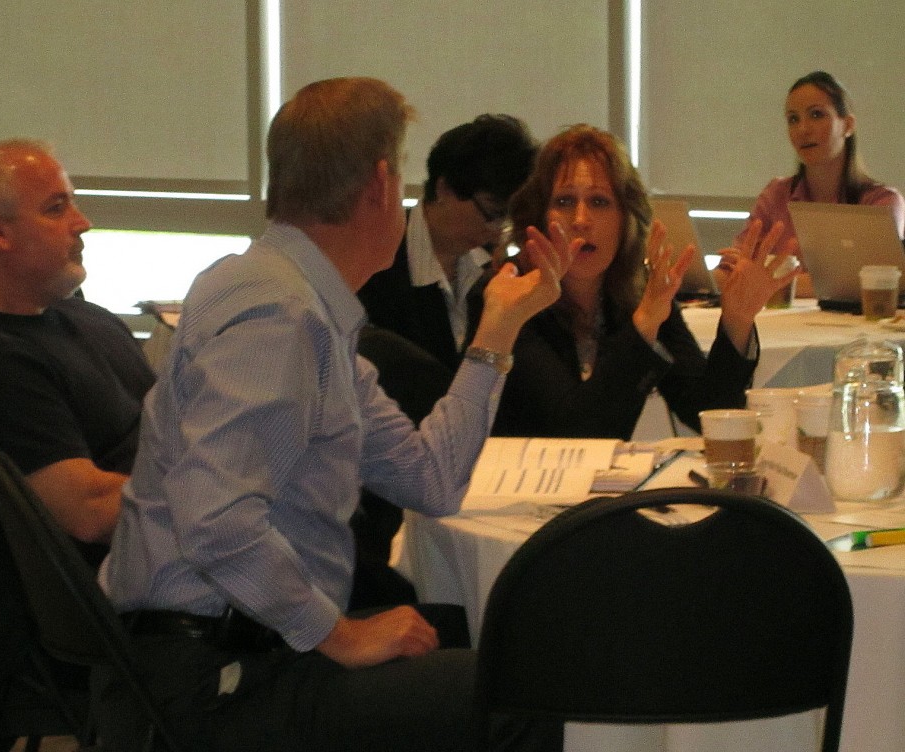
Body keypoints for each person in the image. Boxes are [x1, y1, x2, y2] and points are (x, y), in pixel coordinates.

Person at [96, 77, 567, 752]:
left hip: (240, 645)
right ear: (379, 184)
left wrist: (498, 330)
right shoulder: (278, 316)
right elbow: (216, 522)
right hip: (215, 678)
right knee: (525, 696)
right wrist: (338, 634)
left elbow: (429, 480)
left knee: (489, 638)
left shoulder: (300, 304)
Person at [0, 139, 155, 565]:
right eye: (56, 209)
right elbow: (89, 511)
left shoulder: (90, 319)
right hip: (143, 590)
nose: (82, 223)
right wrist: (223, 499)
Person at [493, 124, 798, 441]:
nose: (580, 219)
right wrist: (644, 324)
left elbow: (708, 410)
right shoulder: (509, 292)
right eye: (565, 201)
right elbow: (576, 430)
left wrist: (737, 320)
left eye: (599, 202)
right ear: (540, 214)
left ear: (626, 217)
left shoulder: (639, 291)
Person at [352, 114, 537, 609]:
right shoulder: (375, 265)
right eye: (491, 212)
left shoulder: (493, 268)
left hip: (473, 469)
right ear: (444, 189)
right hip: (396, 487)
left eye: (509, 219)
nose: (499, 231)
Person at [739, 71, 905, 297]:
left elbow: (863, 286)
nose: (803, 129)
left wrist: (769, 284)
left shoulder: (881, 203)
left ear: (847, 125)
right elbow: (734, 272)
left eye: (816, 115)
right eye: (793, 119)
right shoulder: (776, 195)